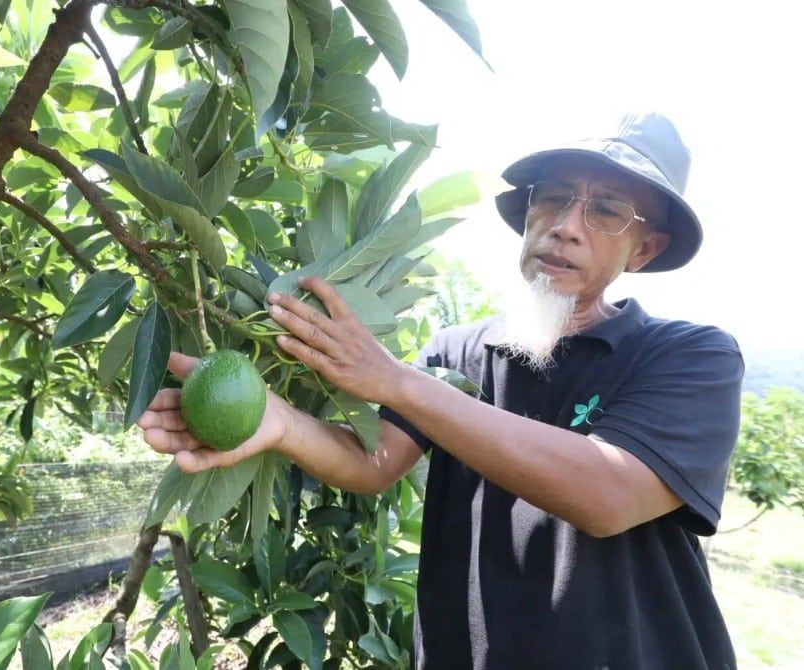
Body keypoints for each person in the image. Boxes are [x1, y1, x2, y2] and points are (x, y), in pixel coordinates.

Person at [138, 112, 743, 670]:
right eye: (555, 198)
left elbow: (609, 494)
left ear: (645, 249)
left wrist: (398, 380)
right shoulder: (457, 354)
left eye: (606, 211)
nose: (565, 227)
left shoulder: (689, 357)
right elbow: (375, 462)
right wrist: (285, 424)